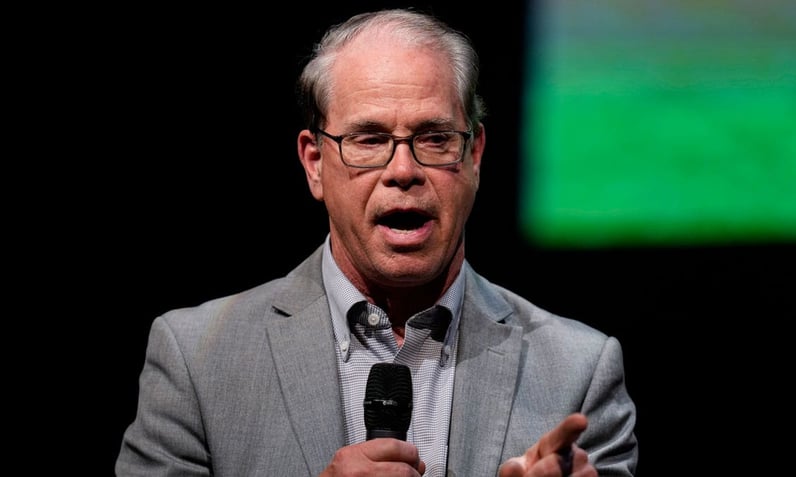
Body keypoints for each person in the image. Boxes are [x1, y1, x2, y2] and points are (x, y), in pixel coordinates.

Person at [116, 8, 638, 477]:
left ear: (475, 156)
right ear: (314, 163)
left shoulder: (578, 372)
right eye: (369, 140)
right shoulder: (198, 359)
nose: (404, 171)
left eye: (435, 138)